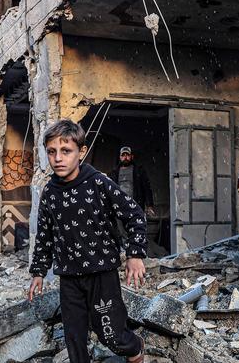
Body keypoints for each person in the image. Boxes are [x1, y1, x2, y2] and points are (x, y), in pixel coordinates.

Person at [28, 120, 147, 363]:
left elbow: (134, 213)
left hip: (102, 274)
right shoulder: (49, 192)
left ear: (81, 152)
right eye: (52, 152)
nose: (58, 158)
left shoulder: (99, 183)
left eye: (66, 151)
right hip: (69, 278)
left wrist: (135, 255)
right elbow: (44, 235)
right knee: (74, 338)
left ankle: (135, 350)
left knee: (110, 334)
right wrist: (38, 271)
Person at [108, 146, 155, 216]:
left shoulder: (139, 171)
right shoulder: (114, 172)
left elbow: (146, 188)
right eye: (123, 155)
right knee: (120, 226)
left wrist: (149, 205)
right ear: (120, 157)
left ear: (132, 156)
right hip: (119, 206)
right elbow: (109, 189)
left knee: (136, 226)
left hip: (135, 205)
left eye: (127, 155)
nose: (125, 157)